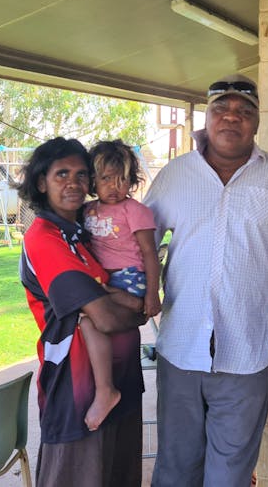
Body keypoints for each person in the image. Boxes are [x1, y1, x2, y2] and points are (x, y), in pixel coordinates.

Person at [144, 74, 268, 487]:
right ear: (207, 118)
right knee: (175, 467)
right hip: (180, 349)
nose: (232, 118)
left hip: (246, 352)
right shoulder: (175, 174)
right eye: (222, 109)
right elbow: (139, 244)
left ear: (257, 123)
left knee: (230, 474)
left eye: (244, 112)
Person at [16, 137, 146, 487]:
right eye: (61, 174)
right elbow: (103, 317)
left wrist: (130, 302)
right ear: (41, 183)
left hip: (122, 382)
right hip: (78, 392)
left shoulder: (84, 233)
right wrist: (139, 310)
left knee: (118, 475)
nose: (73, 182)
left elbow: (115, 297)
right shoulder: (45, 237)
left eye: (81, 174)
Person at [79, 139, 162, 431]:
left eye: (122, 179)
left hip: (129, 275)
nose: (115, 186)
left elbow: (151, 253)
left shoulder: (134, 210)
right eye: (106, 179)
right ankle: (119, 298)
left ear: (131, 181)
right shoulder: (87, 211)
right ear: (93, 181)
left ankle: (128, 300)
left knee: (90, 319)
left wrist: (153, 294)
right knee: (90, 308)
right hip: (105, 277)